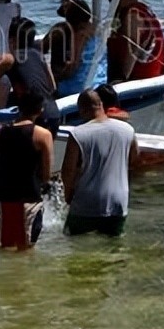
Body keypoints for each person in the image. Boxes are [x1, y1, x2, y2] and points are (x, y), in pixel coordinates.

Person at [0, 91, 54, 250]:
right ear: (40, 110)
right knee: (26, 248)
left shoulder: (3, 131)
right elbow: (46, 172)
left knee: (6, 246)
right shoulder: (42, 135)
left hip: (5, 195)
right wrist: (45, 184)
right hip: (29, 196)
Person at [62, 88, 138, 236]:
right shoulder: (127, 129)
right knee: (114, 248)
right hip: (118, 201)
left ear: (82, 110)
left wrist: (68, 193)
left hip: (86, 201)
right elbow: (134, 157)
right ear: (101, 105)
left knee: (73, 244)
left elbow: (68, 171)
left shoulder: (78, 134)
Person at [42, 0, 107, 96]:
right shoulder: (98, 30)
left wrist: (58, 77)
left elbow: (74, 65)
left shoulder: (79, 35)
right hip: (100, 80)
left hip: (81, 85)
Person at [102, 0, 164, 82]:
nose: (111, 3)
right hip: (149, 73)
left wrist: (122, 79)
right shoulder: (144, 10)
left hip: (139, 77)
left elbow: (132, 48)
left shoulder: (133, 14)